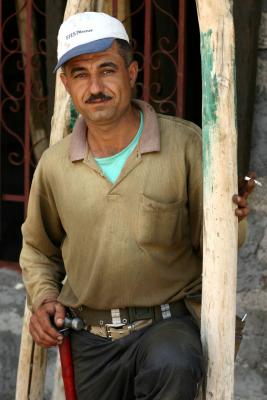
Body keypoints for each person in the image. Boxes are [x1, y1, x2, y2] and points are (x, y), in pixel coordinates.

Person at [20, 12, 254, 400]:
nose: (95, 87)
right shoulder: (55, 166)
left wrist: (231, 217)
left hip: (166, 329)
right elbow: (38, 249)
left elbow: (218, 239)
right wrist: (45, 298)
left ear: (131, 72)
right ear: (66, 84)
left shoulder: (185, 146)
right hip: (90, 342)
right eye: (80, 74)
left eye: (107, 70)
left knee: (172, 360)